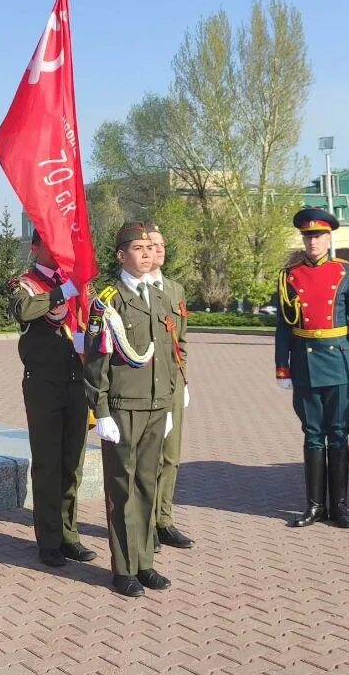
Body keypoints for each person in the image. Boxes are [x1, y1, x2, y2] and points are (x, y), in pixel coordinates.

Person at [84, 222, 178, 597]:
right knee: (122, 489)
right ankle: (123, 568)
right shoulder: (108, 300)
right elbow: (95, 361)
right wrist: (101, 410)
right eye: (136, 248)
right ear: (121, 255)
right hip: (123, 406)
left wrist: (169, 403)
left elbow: (168, 354)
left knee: (146, 485)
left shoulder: (160, 295)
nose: (145, 253)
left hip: (156, 404)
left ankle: (145, 563)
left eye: (148, 247)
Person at [7, 232, 97, 568]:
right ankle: (48, 540)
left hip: (77, 379)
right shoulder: (26, 283)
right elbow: (23, 310)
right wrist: (64, 291)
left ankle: (69, 535)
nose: (59, 250)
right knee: (47, 464)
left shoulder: (75, 284)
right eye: (51, 243)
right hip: (44, 384)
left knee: (72, 464)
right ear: (35, 248)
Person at [274, 208, 349, 529]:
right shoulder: (290, 275)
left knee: (338, 433)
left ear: (329, 239)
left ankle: (339, 506)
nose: (313, 242)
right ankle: (314, 506)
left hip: (339, 361)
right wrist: (281, 366)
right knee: (313, 434)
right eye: (308, 236)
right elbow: (283, 326)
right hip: (305, 361)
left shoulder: (346, 272)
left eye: (318, 236)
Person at [145, 222, 193, 551]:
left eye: (162, 245)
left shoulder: (175, 290)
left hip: (172, 381)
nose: (158, 250)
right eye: (151, 245)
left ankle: (164, 519)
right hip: (143, 385)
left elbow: (183, 340)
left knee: (170, 455)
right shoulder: (129, 290)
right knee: (145, 457)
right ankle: (144, 523)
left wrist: (184, 379)